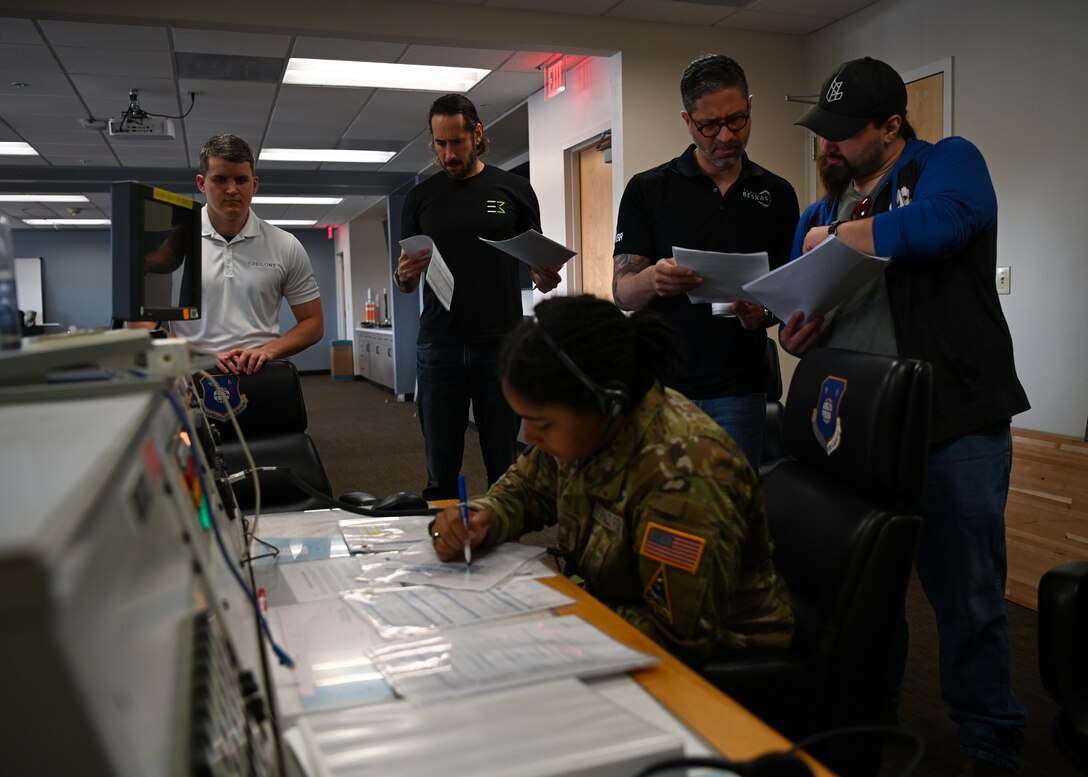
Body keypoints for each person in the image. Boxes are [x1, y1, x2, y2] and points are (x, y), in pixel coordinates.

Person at [781, 57, 1030, 777]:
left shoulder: (947, 162)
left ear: (892, 127)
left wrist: (841, 242)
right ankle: (873, 721)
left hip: (952, 422)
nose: (826, 148)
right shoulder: (822, 208)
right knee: (866, 599)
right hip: (857, 436)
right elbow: (804, 302)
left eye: (842, 135)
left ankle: (991, 744)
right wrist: (794, 330)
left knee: (969, 596)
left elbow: (945, 226)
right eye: (821, 134)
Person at [429, 295, 793, 667]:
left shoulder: (683, 477)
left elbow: (679, 634)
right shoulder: (587, 431)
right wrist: (482, 517)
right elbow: (526, 490)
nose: (530, 438)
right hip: (609, 621)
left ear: (608, 403)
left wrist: (545, 615)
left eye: (542, 424)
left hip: (717, 673)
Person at [612, 53, 799, 469]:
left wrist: (762, 313)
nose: (725, 136)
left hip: (740, 387)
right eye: (709, 126)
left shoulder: (778, 194)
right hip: (660, 388)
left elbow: (789, 292)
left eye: (737, 120)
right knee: (663, 508)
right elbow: (622, 292)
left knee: (730, 512)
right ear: (687, 121)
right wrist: (652, 280)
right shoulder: (648, 189)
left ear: (750, 106)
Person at [395, 94, 560, 501]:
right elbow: (407, 281)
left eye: (456, 142)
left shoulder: (515, 190)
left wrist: (544, 277)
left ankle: (502, 553)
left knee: (504, 466)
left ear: (477, 134)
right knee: (440, 470)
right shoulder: (420, 198)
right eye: (439, 144)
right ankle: (445, 551)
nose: (448, 154)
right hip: (438, 346)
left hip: (501, 344)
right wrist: (402, 277)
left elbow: (538, 265)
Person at [171, 133, 323, 375]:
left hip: (261, 374)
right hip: (192, 376)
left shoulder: (285, 244)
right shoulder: (173, 242)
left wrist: (269, 350)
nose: (232, 189)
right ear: (202, 183)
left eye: (241, 180)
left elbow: (313, 323)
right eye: (220, 180)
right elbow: (146, 326)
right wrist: (199, 354)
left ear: (254, 184)